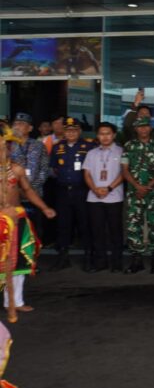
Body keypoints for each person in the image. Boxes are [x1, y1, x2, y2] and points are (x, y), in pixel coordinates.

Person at [1, 125, 56, 313]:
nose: (3, 149)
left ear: (9, 148)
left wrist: (44, 207)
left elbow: (28, 191)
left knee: (18, 260)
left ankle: (15, 301)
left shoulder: (16, 169)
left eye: (5, 146)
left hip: (17, 218)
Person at [49, 117, 95, 272]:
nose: (71, 133)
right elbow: (53, 169)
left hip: (82, 190)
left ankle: (88, 257)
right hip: (63, 190)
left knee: (84, 223)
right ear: (64, 131)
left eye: (74, 130)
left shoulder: (88, 146)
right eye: (68, 130)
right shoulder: (57, 147)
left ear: (79, 131)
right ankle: (63, 256)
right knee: (63, 224)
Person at [121, 116, 154, 274]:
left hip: (153, 193)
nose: (143, 129)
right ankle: (136, 260)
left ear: (150, 128)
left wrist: (147, 186)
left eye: (146, 126)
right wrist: (137, 186)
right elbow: (124, 170)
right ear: (136, 129)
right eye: (140, 126)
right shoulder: (129, 146)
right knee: (134, 226)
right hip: (134, 192)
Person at [83, 122, 124, 272]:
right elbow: (86, 174)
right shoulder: (91, 153)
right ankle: (100, 262)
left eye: (108, 133)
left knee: (115, 231)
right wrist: (95, 189)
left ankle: (117, 262)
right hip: (94, 198)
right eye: (101, 133)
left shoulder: (122, 152)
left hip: (114, 197)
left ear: (113, 135)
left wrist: (109, 188)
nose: (105, 137)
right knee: (97, 231)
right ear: (97, 136)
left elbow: (124, 174)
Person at [10, 113, 49, 241]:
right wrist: (19, 190)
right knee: (14, 230)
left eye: (21, 124)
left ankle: (33, 258)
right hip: (13, 197)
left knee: (34, 230)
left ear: (30, 128)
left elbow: (44, 170)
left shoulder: (39, 146)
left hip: (35, 195)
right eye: (15, 124)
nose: (17, 127)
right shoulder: (7, 146)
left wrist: (30, 189)